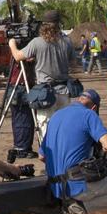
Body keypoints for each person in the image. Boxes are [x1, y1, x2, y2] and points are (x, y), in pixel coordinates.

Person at [43, 90, 107, 214]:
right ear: (94, 107)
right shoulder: (89, 115)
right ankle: (83, 207)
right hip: (77, 186)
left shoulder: (56, 115)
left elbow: (42, 156)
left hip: (56, 188)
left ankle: (72, 202)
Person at [9, 10, 77, 140]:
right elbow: (73, 64)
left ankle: (49, 156)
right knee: (64, 128)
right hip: (63, 91)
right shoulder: (67, 41)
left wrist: (12, 44)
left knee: (46, 130)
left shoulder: (37, 42)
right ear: (59, 24)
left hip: (45, 94)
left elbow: (18, 56)